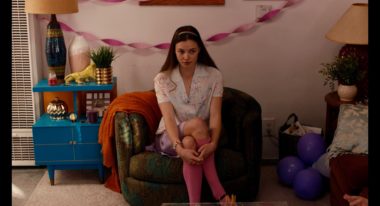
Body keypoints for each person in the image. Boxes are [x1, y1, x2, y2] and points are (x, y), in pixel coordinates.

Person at [149, 25, 232, 204]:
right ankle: (220, 194)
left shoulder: (213, 75)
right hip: (169, 135)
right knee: (195, 126)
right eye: (181, 51)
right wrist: (178, 148)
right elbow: (169, 118)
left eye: (192, 51)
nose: (186, 56)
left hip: (200, 136)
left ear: (199, 51)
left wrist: (214, 144)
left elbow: (216, 115)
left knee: (190, 141)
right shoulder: (162, 79)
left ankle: (194, 204)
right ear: (173, 51)